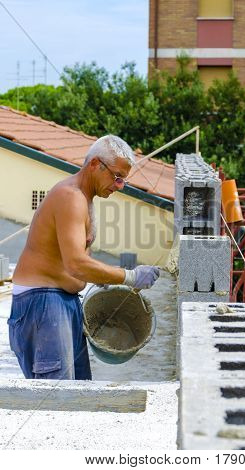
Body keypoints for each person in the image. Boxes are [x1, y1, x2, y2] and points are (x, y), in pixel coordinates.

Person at [8, 135, 160, 380]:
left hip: (59, 301)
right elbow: (76, 263)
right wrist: (129, 276)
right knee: (58, 399)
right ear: (95, 165)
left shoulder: (85, 197)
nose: (120, 185)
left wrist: (99, 275)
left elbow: (73, 259)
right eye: (117, 177)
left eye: (124, 180)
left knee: (78, 391)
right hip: (42, 303)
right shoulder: (71, 197)